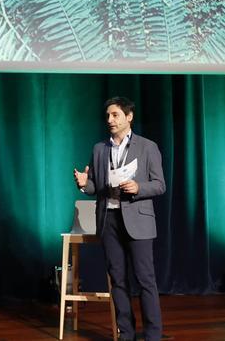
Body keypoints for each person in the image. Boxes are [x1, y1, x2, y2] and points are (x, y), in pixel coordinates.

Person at [73, 96, 164, 341]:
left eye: (115, 115)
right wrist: (84, 184)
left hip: (138, 221)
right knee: (118, 280)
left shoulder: (147, 146)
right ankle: (126, 334)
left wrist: (138, 188)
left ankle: (153, 335)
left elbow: (159, 185)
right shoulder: (99, 148)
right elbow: (96, 186)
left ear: (129, 116)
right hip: (109, 220)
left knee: (145, 279)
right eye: (108, 116)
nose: (110, 120)